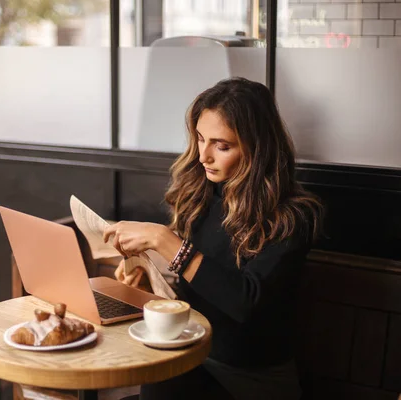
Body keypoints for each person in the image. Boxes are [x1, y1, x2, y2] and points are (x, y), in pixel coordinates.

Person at [102, 77, 323, 400]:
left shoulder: (293, 216)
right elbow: (199, 294)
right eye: (200, 139)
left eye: (222, 146)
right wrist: (148, 287)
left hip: (250, 379)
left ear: (257, 148)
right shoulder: (201, 197)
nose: (203, 155)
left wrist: (165, 240)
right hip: (192, 357)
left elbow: (244, 303)